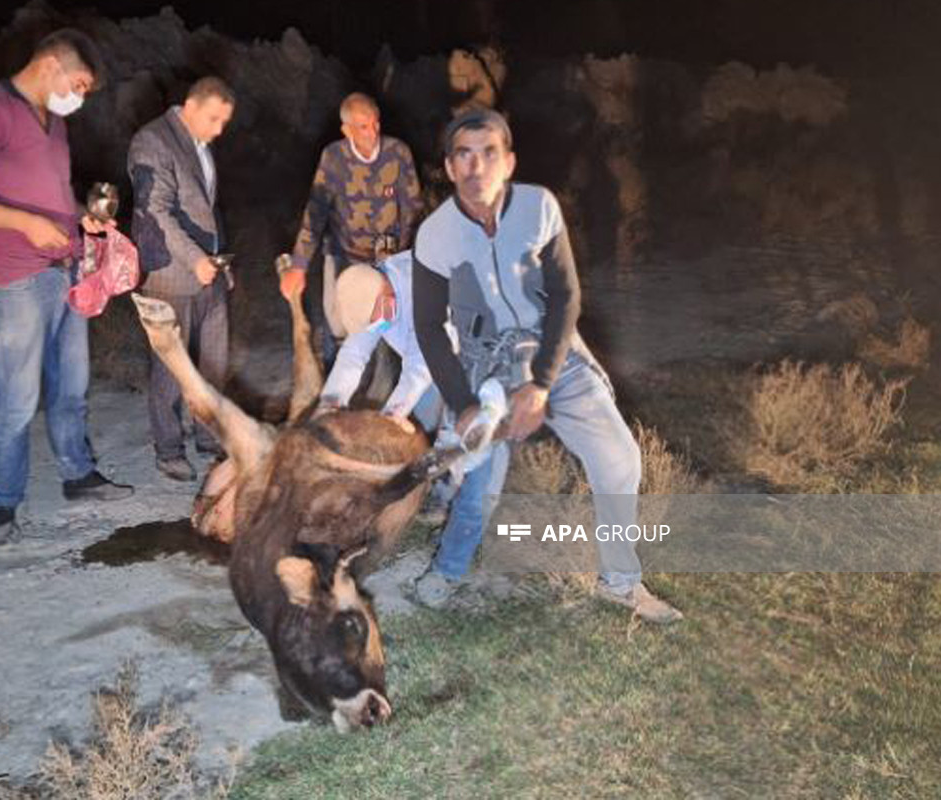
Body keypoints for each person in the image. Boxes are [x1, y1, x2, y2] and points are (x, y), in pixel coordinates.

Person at [410, 107, 682, 623]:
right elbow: (428, 326)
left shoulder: (539, 207)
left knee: (619, 458)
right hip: (485, 367)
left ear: (509, 162)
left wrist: (541, 384)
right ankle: (446, 572)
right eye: (463, 156)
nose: (476, 168)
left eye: (488, 153)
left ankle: (620, 582)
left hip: (552, 352)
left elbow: (566, 296)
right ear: (449, 168)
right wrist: (464, 403)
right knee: (478, 481)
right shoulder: (435, 235)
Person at [0, 28, 133, 545]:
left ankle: (77, 477)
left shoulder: (54, 123)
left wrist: (82, 218)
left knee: (71, 389)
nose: (80, 97)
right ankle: (2, 509)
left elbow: (52, 194)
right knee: (15, 399)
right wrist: (22, 222)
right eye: (79, 84)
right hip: (16, 278)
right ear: (50, 66)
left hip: (65, 272)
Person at [127, 77, 236, 482]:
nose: (219, 129)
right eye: (214, 119)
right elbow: (154, 211)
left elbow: (208, 208)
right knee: (171, 368)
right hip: (171, 273)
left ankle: (208, 438)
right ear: (189, 105)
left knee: (213, 363)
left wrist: (222, 262)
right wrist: (195, 260)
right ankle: (168, 448)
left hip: (210, 273)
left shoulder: (200, 145)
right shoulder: (151, 141)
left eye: (225, 121)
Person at [279, 92, 423, 365]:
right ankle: (336, 382)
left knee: (384, 321)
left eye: (376, 123)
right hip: (342, 251)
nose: (373, 132)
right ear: (347, 130)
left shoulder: (398, 153)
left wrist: (400, 259)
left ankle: (383, 381)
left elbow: (412, 209)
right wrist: (299, 265)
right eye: (363, 127)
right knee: (337, 324)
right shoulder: (334, 158)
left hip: (385, 256)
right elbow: (316, 211)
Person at [312, 253, 450, 433]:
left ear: (385, 290)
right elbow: (354, 353)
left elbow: (419, 367)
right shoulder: (371, 287)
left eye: (374, 319)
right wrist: (331, 401)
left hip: (469, 352)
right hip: (426, 358)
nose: (375, 326)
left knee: (458, 430)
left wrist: (391, 415)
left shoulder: (425, 297)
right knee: (422, 419)